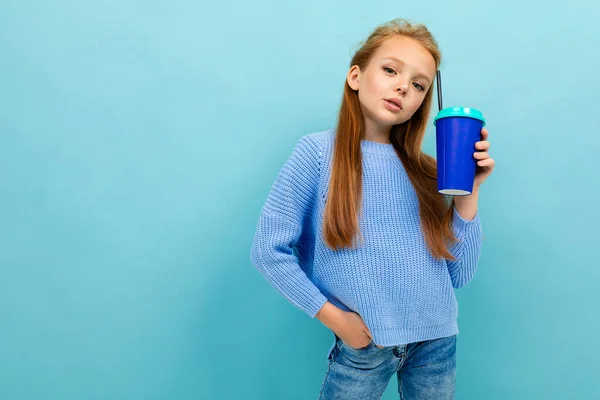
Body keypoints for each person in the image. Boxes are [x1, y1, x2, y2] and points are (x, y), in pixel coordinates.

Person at [249, 18, 495, 400]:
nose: (403, 86)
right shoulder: (317, 153)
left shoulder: (429, 171)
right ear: (355, 76)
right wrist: (335, 318)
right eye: (391, 70)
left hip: (437, 343)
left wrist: (468, 195)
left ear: (422, 103)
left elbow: (459, 274)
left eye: (418, 85)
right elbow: (268, 251)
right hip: (364, 345)